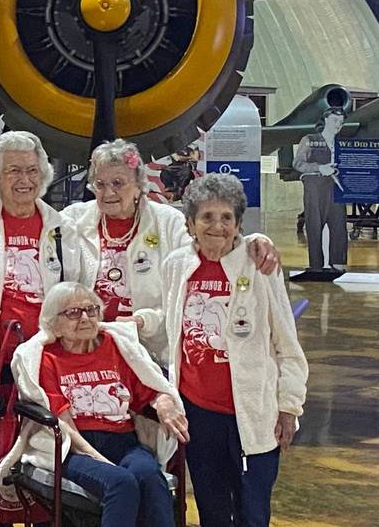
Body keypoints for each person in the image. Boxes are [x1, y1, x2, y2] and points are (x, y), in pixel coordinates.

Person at [148, 173, 308, 527]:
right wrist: (134, 323)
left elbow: (287, 343)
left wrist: (289, 407)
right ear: (190, 223)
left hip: (253, 413)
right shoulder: (176, 265)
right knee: (212, 510)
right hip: (198, 413)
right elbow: (171, 324)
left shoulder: (259, 264)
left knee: (252, 513)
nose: (217, 226)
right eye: (207, 217)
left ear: (238, 224)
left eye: (226, 217)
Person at [58, 139, 281, 362]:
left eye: (118, 183)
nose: (108, 192)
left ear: (138, 186)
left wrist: (254, 241)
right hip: (89, 345)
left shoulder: (168, 222)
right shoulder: (73, 219)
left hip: (153, 351)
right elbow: (42, 227)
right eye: (100, 184)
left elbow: (207, 250)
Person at [0, 282, 188, 527]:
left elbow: (150, 387)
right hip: (73, 447)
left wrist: (164, 403)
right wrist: (99, 459)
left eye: (91, 310)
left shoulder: (115, 347)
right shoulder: (47, 359)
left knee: (150, 477)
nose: (85, 318)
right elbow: (64, 424)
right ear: (53, 322)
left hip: (124, 441)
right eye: (73, 313)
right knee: (120, 482)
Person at [0, 131, 81, 371]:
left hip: (48, 358)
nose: (25, 179)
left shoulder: (63, 227)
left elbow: (76, 291)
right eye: (14, 171)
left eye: (32, 170)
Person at [293, 107, 348, 271]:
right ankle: (316, 265)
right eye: (334, 120)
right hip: (315, 188)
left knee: (339, 226)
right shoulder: (310, 140)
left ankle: (337, 264)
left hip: (337, 189)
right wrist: (319, 168)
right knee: (314, 225)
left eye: (341, 122)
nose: (337, 125)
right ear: (325, 120)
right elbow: (298, 163)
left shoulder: (343, 144)